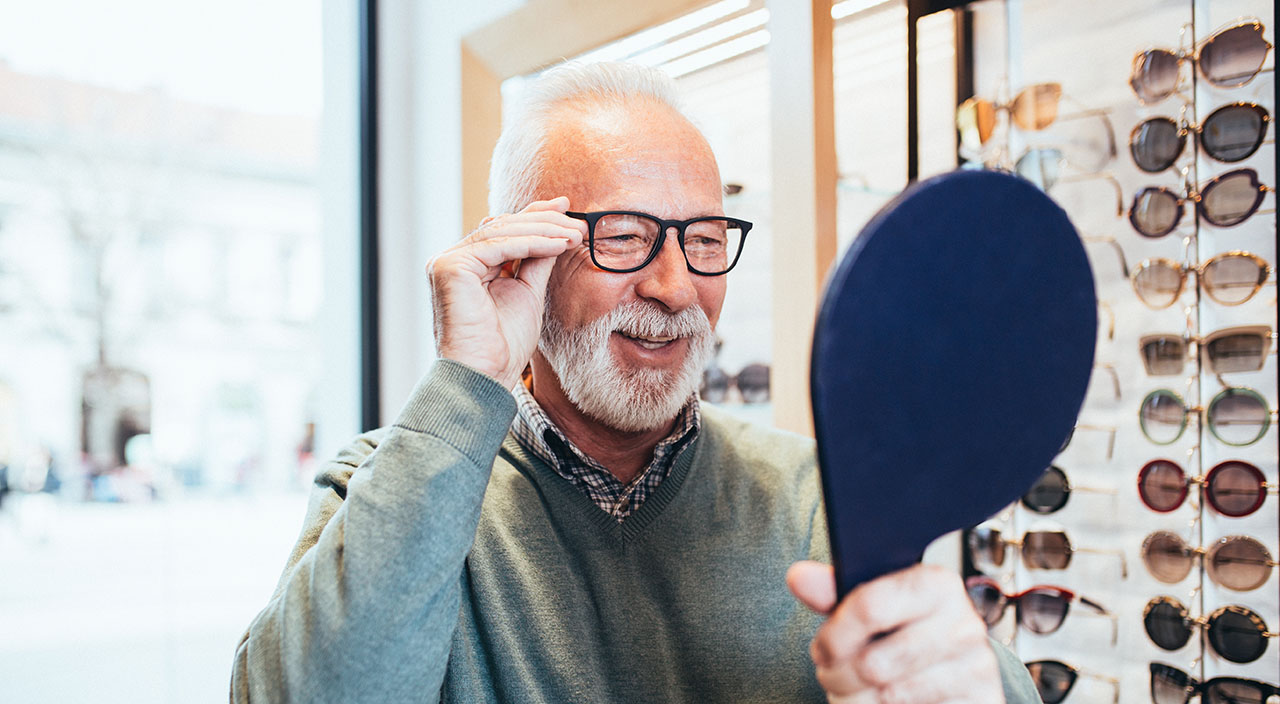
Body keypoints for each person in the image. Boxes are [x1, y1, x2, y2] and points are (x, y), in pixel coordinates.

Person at [231, 62, 1040, 703]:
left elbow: (948, 671)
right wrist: (464, 379)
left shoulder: (817, 495)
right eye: (623, 237)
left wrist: (975, 686)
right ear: (521, 257)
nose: (677, 287)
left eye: (705, 238)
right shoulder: (396, 487)